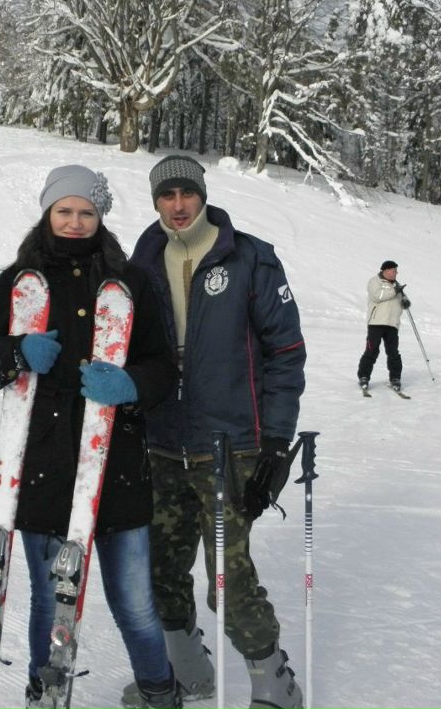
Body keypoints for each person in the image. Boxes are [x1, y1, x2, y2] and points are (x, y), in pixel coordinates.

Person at [0, 165, 181, 709]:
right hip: (41, 472)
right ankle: (44, 693)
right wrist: (17, 353)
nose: (76, 222)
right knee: (47, 602)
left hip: (118, 470)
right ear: (47, 213)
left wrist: (131, 383)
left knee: (134, 604)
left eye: (86, 212)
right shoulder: (17, 284)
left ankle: (160, 694)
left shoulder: (131, 283)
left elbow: (164, 369)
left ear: (100, 216)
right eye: (65, 211)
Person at [127, 155, 307, 709]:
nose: (177, 205)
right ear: (155, 200)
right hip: (161, 443)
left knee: (226, 577)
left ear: (202, 194)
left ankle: (273, 683)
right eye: (166, 195)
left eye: (187, 193)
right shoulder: (143, 260)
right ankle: (188, 673)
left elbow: (286, 353)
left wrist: (276, 442)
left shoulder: (250, 258)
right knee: (158, 570)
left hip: (229, 446)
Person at [356, 260, 410, 391]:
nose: (396, 273)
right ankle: (364, 376)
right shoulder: (375, 281)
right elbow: (377, 296)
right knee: (372, 350)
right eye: (394, 270)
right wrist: (395, 292)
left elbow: (403, 299)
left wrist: (405, 301)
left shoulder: (396, 285)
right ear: (386, 270)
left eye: (396, 270)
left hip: (392, 324)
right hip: (376, 322)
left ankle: (395, 378)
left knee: (393, 352)